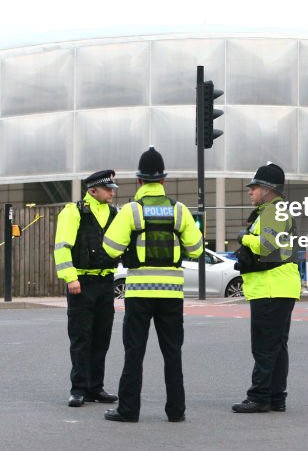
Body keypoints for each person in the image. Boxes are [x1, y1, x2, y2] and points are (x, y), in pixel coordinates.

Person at [101, 147, 203, 423]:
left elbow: (110, 248)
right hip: (171, 294)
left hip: (139, 293)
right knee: (173, 352)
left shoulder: (131, 211)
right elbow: (196, 249)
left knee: (134, 352)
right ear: (163, 181)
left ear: (138, 181)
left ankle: (128, 410)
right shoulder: (179, 210)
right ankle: (176, 411)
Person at [231, 162, 300, 413]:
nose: (250, 191)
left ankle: (259, 397)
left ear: (268, 189)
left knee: (264, 347)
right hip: (278, 286)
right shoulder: (274, 211)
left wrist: (243, 237)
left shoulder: (274, 211)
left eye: (255, 187)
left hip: (271, 288)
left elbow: (266, 245)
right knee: (277, 347)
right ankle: (275, 397)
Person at [54, 169, 121, 407]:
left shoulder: (114, 213)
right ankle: (79, 388)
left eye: (112, 189)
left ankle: (96, 387)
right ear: (93, 190)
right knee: (81, 338)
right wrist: (70, 277)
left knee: (102, 338)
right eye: (108, 189)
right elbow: (62, 246)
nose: (112, 193)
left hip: (105, 283)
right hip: (81, 283)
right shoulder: (74, 211)